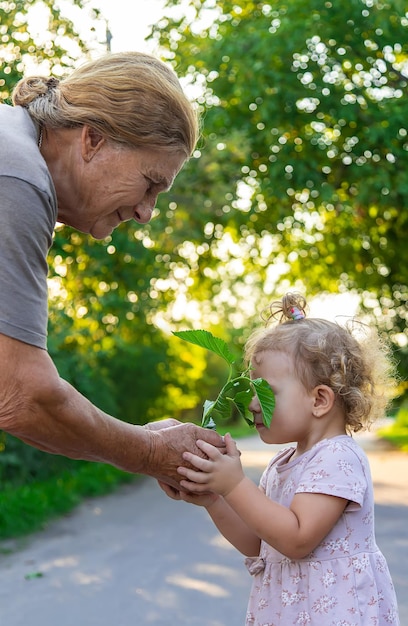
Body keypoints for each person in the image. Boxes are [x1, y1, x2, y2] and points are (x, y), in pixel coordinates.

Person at [0, 51, 225, 488]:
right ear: (94, 140)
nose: (146, 213)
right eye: (151, 183)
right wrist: (151, 452)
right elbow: (20, 394)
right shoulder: (18, 179)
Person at [160, 292, 400, 624]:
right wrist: (214, 499)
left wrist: (234, 486)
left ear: (319, 400)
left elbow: (297, 539)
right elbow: (259, 543)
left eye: (266, 392)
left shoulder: (337, 457)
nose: (253, 404)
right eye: (250, 390)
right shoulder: (283, 463)